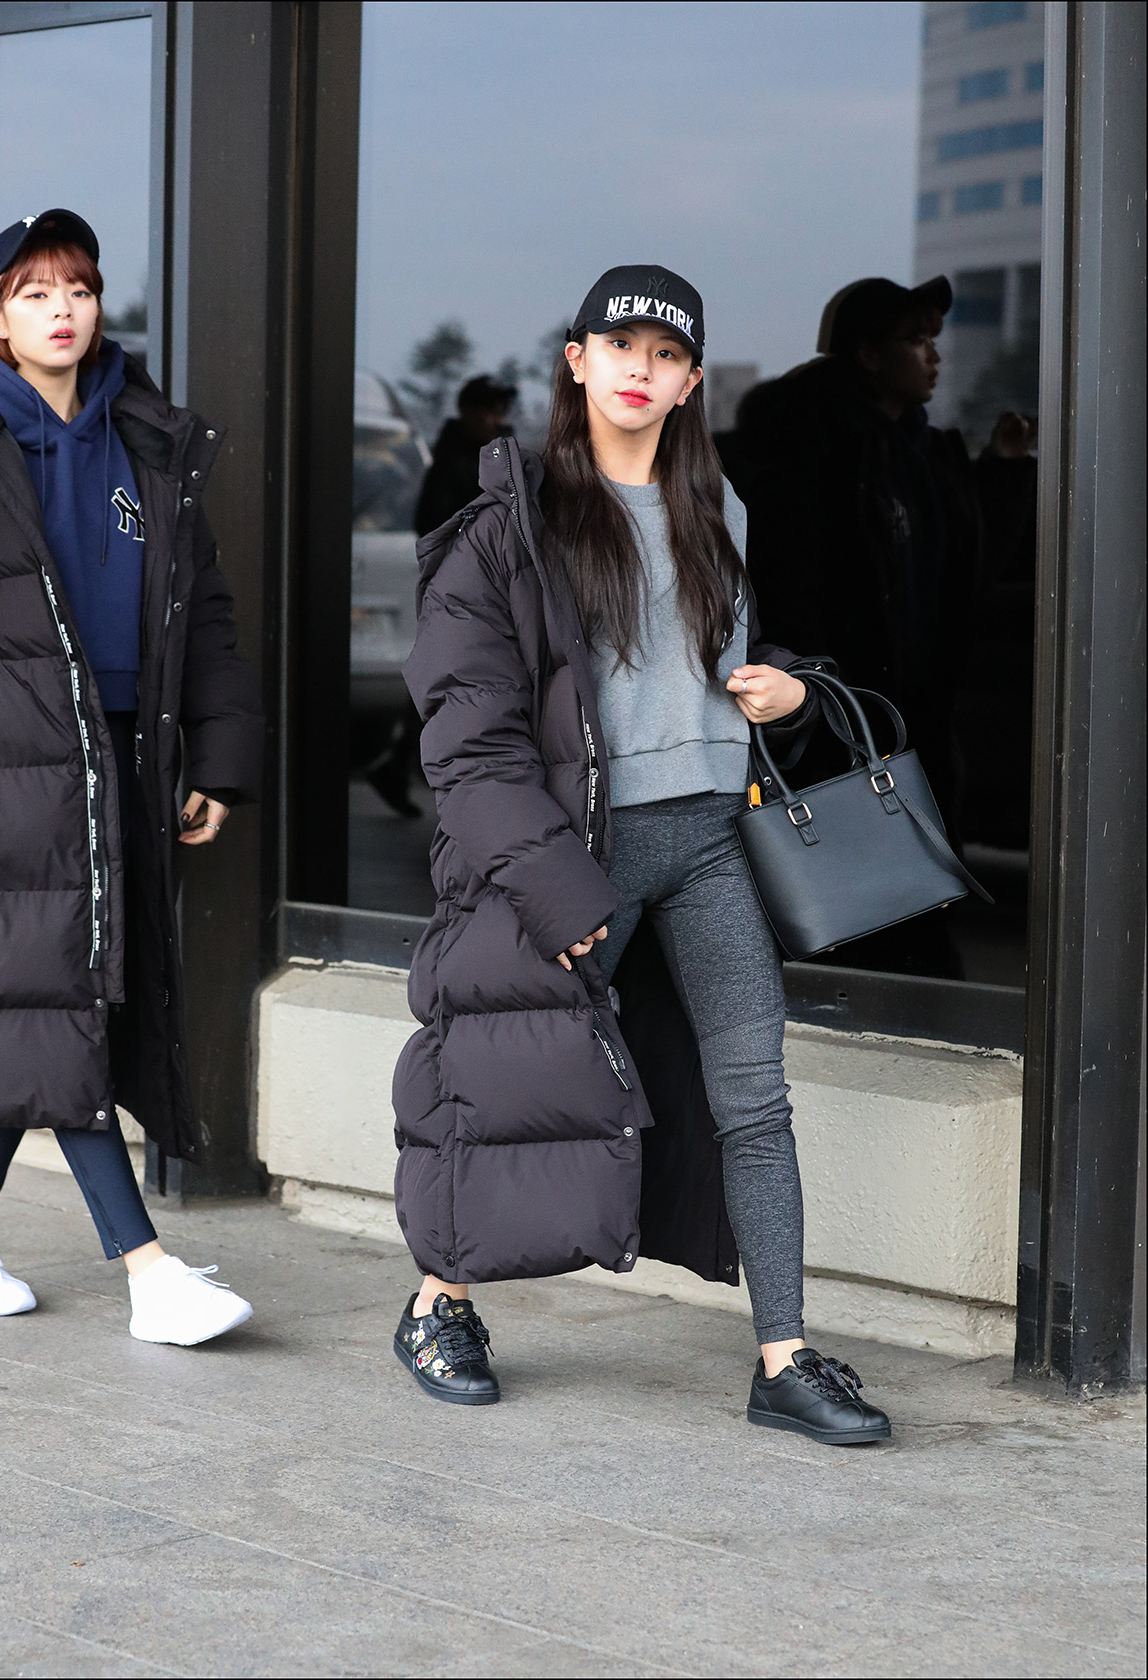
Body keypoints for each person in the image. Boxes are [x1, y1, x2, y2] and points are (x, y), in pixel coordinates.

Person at [389, 264, 891, 1446]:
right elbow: (468, 737)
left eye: (665, 356)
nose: (640, 370)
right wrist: (555, 886)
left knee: (753, 1096)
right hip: (585, 853)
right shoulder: (515, 528)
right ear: (576, 361)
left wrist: (787, 694)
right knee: (504, 1079)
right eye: (619, 347)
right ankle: (436, 1302)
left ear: (690, 382)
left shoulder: (722, 511)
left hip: (710, 841)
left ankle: (784, 1357)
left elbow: (710, 671)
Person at [0, 210, 263, 1344]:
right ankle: (147, 1269)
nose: (62, 310)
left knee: (55, 993)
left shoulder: (146, 435)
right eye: (34, 293)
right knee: (62, 995)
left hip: (129, 748)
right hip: (8, 759)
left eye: (77, 288)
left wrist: (217, 757)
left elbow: (204, 609)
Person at [717, 277, 1035, 974]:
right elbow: (791, 582)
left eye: (934, 340)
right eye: (915, 341)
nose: (934, 356)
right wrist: (812, 692)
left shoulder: (923, 453)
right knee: (865, 922)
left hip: (914, 721)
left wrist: (1003, 474)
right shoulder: (817, 451)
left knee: (913, 910)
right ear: (867, 354)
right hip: (840, 721)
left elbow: (959, 576)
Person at [413, 373, 517, 538]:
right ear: (468, 412)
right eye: (490, 410)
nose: (497, 420)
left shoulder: (510, 461)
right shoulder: (450, 466)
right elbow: (432, 526)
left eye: (501, 411)